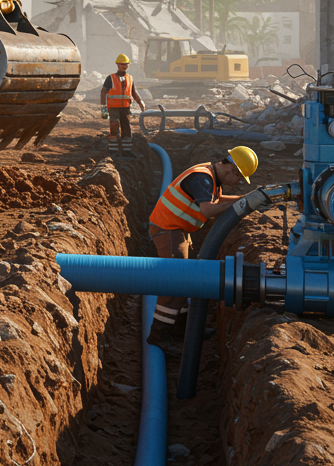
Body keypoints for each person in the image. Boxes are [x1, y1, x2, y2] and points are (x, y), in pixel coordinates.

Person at [146, 145, 261, 351]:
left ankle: (180, 329)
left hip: (178, 230)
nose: (238, 183)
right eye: (239, 178)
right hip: (168, 229)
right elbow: (208, 209)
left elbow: (217, 200)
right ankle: (159, 334)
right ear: (232, 170)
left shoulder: (211, 177)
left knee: (187, 278)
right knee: (177, 280)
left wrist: (247, 199)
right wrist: (243, 203)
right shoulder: (203, 177)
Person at [100, 53, 146, 158]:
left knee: (126, 129)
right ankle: (113, 151)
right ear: (117, 64)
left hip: (125, 108)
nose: (124, 66)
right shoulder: (110, 78)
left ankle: (127, 151)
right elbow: (103, 92)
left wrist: (140, 102)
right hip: (114, 108)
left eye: (126, 64)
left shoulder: (130, 78)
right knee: (114, 128)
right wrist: (103, 107)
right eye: (122, 64)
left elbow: (133, 92)